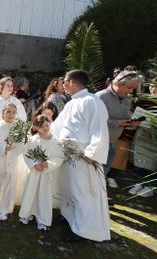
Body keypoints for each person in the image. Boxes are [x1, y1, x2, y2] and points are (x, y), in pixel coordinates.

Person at [51, 70, 110, 242]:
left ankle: (83, 229)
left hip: (82, 155)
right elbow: (57, 127)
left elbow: (99, 130)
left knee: (81, 191)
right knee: (67, 187)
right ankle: (70, 217)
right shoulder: (71, 103)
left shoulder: (92, 101)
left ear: (73, 82)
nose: (63, 85)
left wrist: (92, 153)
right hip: (67, 153)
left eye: (65, 81)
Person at [96, 71, 142, 188]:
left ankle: (97, 200)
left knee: (101, 176)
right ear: (119, 84)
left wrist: (132, 123)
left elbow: (125, 120)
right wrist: (117, 123)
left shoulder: (127, 99)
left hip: (112, 143)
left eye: (134, 89)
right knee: (94, 175)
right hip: (97, 143)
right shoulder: (101, 97)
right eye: (130, 87)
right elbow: (95, 120)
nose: (131, 91)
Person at [18, 115, 63, 231]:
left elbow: (58, 157)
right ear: (36, 128)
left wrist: (48, 164)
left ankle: (43, 219)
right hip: (34, 173)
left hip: (46, 174)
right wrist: (34, 163)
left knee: (44, 195)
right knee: (30, 192)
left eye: (47, 125)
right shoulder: (33, 140)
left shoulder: (56, 142)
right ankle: (27, 213)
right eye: (41, 126)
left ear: (50, 124)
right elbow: (26, 153)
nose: (45, 128)